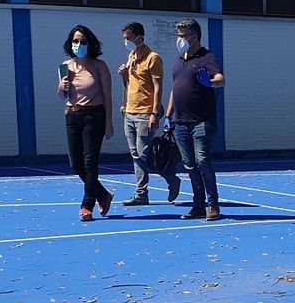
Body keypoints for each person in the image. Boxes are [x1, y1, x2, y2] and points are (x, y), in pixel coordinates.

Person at [164, 19, 225, 220]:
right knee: (189, 164)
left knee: (203, 161)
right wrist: (168, 115)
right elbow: (175, 89)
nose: (180, 39)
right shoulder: (179, 60)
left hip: (202, 121)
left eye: (183, 36)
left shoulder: (207, 58)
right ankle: (198, 205)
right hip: (180, 122)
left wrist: (210, 82)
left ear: (194, 36)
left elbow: (220, 79)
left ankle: (213, 205)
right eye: (179, 35)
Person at [117, 22, 182, 206]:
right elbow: (130, 85)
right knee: (137, 155)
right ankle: (162, 182)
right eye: (125, 38)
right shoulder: (131, 56)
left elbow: (157, 86)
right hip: (130, 112)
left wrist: (154, 113)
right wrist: (124, 78)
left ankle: (147, 190)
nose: (126, 41)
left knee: (142, 155)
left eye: (129, 38)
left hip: (145, 114)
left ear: (139, 37)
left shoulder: (153, 58)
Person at [59, 25, 116, 222]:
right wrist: (61, 87)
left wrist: (109, 122)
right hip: (72, 115)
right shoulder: (66, 66)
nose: (79, 44)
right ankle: (103, 194)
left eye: (82, 41)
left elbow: (107, 96)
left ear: (90, 43)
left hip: (94, 115)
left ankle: (87, 205)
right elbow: (63, 95)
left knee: (90, 162)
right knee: (76, 164)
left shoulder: (100, 66)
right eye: (75, 41)